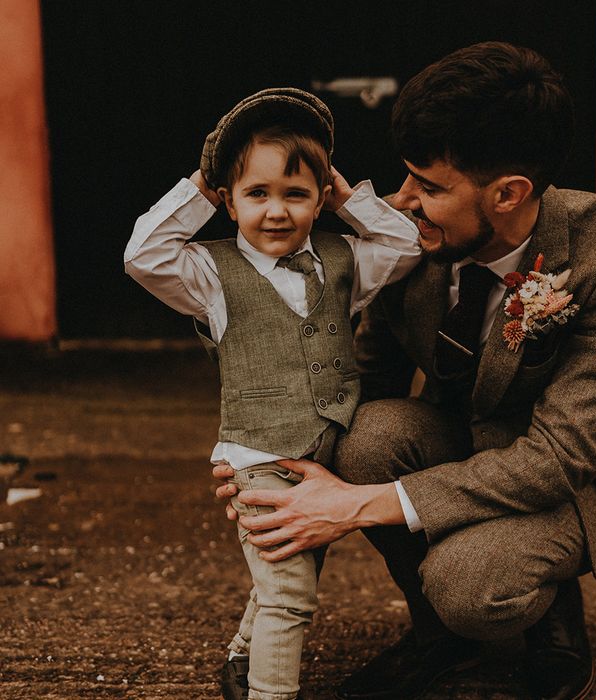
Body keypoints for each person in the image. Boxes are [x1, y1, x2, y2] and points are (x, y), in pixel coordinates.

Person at [213, 43, 596, 700]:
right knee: (364, 433)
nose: (404, 201)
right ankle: (439, 639)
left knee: (467, 584)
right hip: (456, 439)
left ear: (509, 193)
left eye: (429, 187)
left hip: (571, 478)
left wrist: (352, 508)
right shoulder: (406, 239)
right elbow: (356, 387)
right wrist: (261, 469)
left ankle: (548, 609)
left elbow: (558, 458)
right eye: (408, 178)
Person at [124, 88, 421, 700]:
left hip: (323, 455)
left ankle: (241, 657)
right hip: (258, 460)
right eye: (257, 194)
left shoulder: (342, 262)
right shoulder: (210, 276)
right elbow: (142, 254)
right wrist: (200, 188)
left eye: (296, 194)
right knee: (291, 594)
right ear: (229, 203)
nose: (277, 211)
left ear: (319, 200)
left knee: (290, 569)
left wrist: (349, 197)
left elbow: (405, 244)